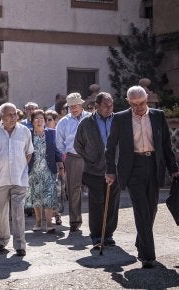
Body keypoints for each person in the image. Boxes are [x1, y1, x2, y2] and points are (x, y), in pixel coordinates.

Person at [105, 86, 179, 269]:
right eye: (134, 104)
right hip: (132, 169)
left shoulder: (158, 116)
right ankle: (147, 255)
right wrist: (110, 170)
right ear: (128, 102)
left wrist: (173, 169)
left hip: (154, 166)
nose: (138, 107)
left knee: (152, 209)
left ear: (147, 99)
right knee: (141, 210)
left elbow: (165, 145)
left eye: (142, 103)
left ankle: (141, 241)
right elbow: (111, 146)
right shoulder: (120, 118)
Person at [0, 102, 34, 257]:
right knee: (1, 212)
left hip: (19, 177)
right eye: (9, 114)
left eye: (15, 114)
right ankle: (1, 241)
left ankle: (20, 245)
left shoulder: (24, 131)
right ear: (1, 117)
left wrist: (21, 166)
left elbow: (29, 152)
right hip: (0, 178)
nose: (13, 117)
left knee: (18, 212)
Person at [74, 92, 120, 247]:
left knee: (112, 202)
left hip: (114, 169)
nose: (109, 108)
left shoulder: (118, 120)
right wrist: (90, 160)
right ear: (97, 106)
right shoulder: (87, 122)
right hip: (94, 171)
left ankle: (108, 234)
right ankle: (96, 235)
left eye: (111, 104)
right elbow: (77, 145)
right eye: (105, 105)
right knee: (96, 203)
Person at [56, 92, 91, 232]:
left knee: (95, 189)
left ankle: (97, 222)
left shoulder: (91, 118)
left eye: (76, 105)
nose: (74, 108)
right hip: (73, 157)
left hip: (91, 158)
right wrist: (69, 153)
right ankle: (75, 221)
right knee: (73, 190)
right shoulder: (63, 122)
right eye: (71, 106)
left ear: (81, 104)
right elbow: (59, 144)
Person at [26, 109, 63, 233]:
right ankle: (37, 222)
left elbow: (57, 151)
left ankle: (49, 223)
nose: (40, 121)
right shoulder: (28, 134)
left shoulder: (51, 133)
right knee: (36, 197)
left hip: (48, 170)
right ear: (32, 121)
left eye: (42, 118)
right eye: (36, 118)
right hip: (33, 171)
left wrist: (61, 167)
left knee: (49, 197)